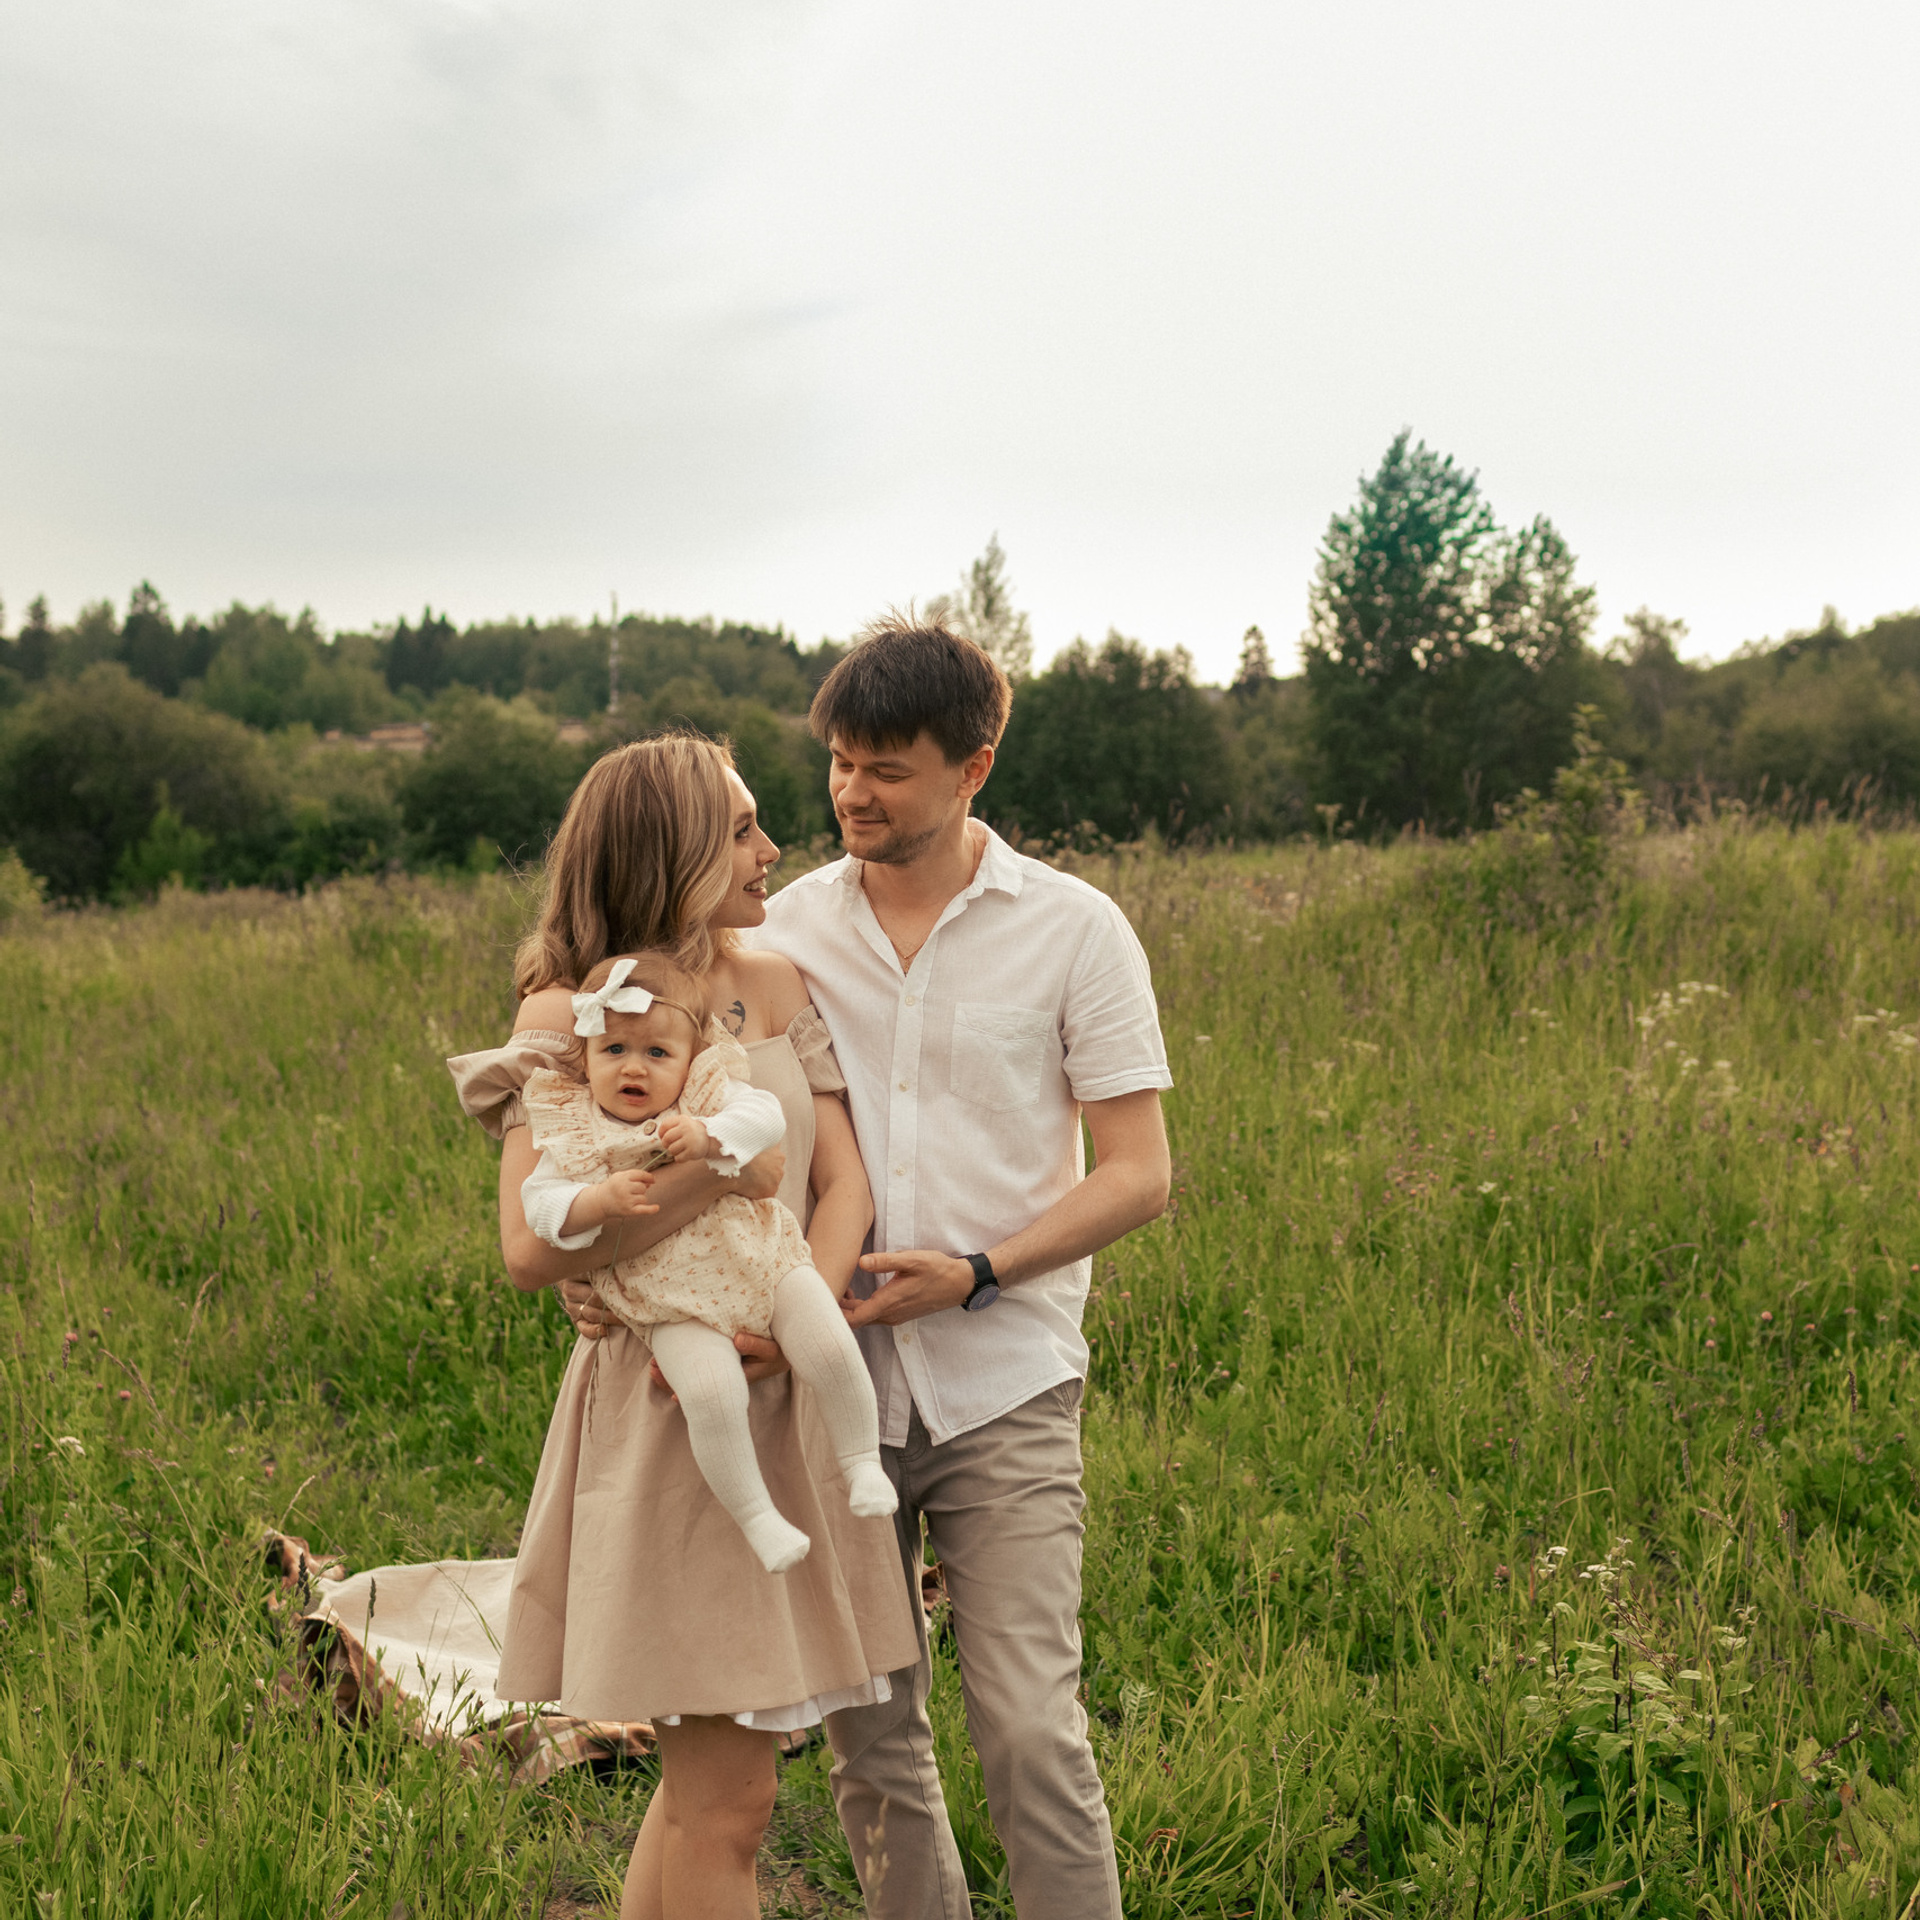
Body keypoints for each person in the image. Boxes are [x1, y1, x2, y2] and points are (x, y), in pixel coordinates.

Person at [448, 734, 919, 1920]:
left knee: (703, 1793)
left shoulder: (776, 982)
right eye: (746, 829)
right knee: (731, 1802)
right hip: (670, 1419)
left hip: (786, 1384)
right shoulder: (574, 1010)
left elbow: (846, 1185)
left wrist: (783, 1311)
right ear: (674, 850)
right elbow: (526, 1247)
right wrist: (720, 1175)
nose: (774, 850)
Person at [759, 614, 1172, 1918]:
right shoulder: (779, 937)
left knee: (1032, 1731)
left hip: (1006, 1384)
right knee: (873, 1742)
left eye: (887, 766)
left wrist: (980, 1271)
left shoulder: (1074, 930)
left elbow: (1136, 1173)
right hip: (833, 1398)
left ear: (973, 768)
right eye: (839, 760)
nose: (851, 792)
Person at [513, 948, 897, 1572]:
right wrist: (592, 1202)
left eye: (657, 1054)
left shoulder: (705, 1095)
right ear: (585, 1058)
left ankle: (860, 1463)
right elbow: (540, 1206)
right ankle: (757, 1516)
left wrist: (712, 1138)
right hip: (670, 1299)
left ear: (689, 1058)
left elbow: (764, 1114)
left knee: (827, 1342)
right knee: (712, 1395)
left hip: (762, 1258)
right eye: (614, 1051)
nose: (634, 1068)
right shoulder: (576, 1128)